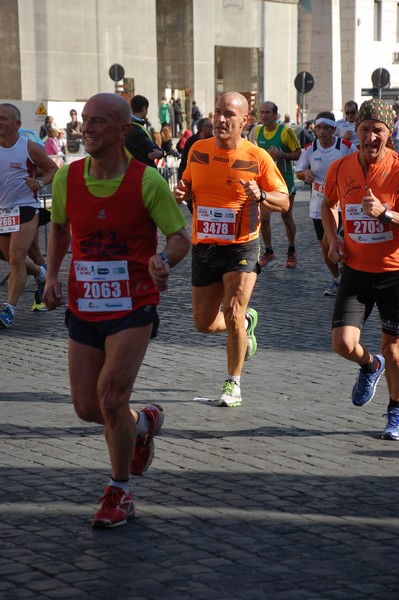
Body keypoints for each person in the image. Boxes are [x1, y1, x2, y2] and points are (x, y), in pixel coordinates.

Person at [43, 92, 190, 528]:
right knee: (89, 408)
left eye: (99, 122)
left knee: (111, 397)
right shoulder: (66, 179)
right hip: (84, 305)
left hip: (134, 304)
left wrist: (165, 261)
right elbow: (59, 229)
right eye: (85, 120)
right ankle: (142, 425)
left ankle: (119, 491)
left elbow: (181, 238)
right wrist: (51, 275)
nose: (86, 128)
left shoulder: (147, 182)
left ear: (124, 130)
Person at [173, 92, 289, 407]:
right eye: (218, 113)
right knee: (205, 323)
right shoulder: (197, 150)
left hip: (242, 246)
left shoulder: (257, 157)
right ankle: (248, 323)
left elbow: (285, 200)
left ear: (244, 120)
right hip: (205, 245)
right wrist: (182, 192)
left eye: (229, 114)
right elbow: (188, 187)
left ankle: (232, 384)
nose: (221, 119)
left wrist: (262, 194)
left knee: (233, 311)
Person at [321, 98, 399, 441]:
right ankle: (370, 366)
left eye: (377, 131)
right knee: (342, 342)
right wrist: (332, 239)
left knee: (394, 349)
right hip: (355, 270)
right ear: (356, 131)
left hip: (394, 273)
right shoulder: (340, 167)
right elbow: (328, 205)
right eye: (364, 130)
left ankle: (395, 411)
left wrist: (385, 214)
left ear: (389, 133)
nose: (370, 137)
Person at [0, 103, 58, 328]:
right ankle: (41, 273)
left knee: (16, 257)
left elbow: (54, 169)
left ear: (17, 124)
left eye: (3, 118)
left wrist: (40, 181)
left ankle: (9, 309)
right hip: (3, 211)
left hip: (25, 207)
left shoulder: (30, 147)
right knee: (13, 259)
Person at [295, 112, 357, 296]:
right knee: (325, 247)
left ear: (333, 129)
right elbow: (299, 171)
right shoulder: (310, 149)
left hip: (341, 206)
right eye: (318, 128)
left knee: (332, 242)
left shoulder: (345, 147)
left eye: (326, 128)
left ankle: (350, 278)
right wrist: (305, 174)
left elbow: (360, 166)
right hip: (317, 207)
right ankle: (338, 279)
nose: (321, 132)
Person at [249, 101, 301, 268]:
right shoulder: (256, 131)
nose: (264, 115)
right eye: (262, 112)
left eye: (267, 112)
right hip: (266, 183)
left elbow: (299, 153)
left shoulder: (286, 132)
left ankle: (291, 250)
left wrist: (282, 154)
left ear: (275, 115)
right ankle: (269, 251)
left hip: (284, 182)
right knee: (263, 220)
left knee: (286, 217)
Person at [177, 117, 214, 213]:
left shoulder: (214, 140)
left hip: (208, 180)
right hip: (192, 178)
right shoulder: (191, 141)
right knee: (192, 206)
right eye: (209, 126)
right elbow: (184, 161)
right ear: (202, 128)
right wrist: (180, 179)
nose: (212, 128)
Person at [125, 95, 164, 168]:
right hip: (143, 171)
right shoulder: (137, 128)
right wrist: (161, 152)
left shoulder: (128, 126)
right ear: (144, 108)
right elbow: (152, 150)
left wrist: (160, 151)